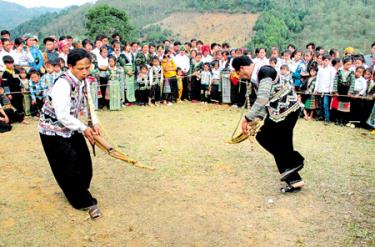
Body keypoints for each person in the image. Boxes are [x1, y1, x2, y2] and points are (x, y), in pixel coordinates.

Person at [38, 48, 102, 219]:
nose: (85, 72)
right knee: (67, 166)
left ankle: (80, 189)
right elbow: (62, 116)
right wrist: (84, 128)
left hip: (72, 127)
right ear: (70, 66)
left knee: (84, 162)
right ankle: (83, 201)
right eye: (80, 69)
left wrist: (94, 122)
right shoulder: (62, 84)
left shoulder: (84, 81)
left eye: (87, 68)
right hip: (52, 131)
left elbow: (89, 103)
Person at [234, 56, 305, 193]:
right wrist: (258, 118)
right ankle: (295, 180)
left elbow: (262, 98)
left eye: (238, 72)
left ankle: (295, 161)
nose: (240, 76)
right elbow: (264, 103)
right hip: (280, 113)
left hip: (287, 111)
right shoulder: (257, 78)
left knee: (264, 136)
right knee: (283, 143)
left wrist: (247, 118)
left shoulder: (264, 72)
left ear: (242, 68)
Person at [331, 57, 355, 126]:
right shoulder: (339, 72)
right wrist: (335, 91)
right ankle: (337, 119)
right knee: (337, 105)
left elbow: (352, 83)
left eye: (350, 64)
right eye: (347, 64)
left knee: (344, 106)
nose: (349, 66)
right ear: (343, 64)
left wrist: (350, 91)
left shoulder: (351, 73)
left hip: (346, 91)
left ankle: (342, 120)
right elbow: (335, 82)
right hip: (339, 90)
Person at [314, 54, 336, 125]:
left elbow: (332, 80)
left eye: (327, 60)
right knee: (320, 104)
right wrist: (316, 89)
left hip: (327, 90)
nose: (325, 62)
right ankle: (321, 116)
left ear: (329, 61)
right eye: (324, 60)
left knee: (326, 104)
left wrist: (330, 90)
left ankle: (327, 119)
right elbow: (317, 79)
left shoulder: (332, 69)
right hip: (320, 89)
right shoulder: (320, 69)